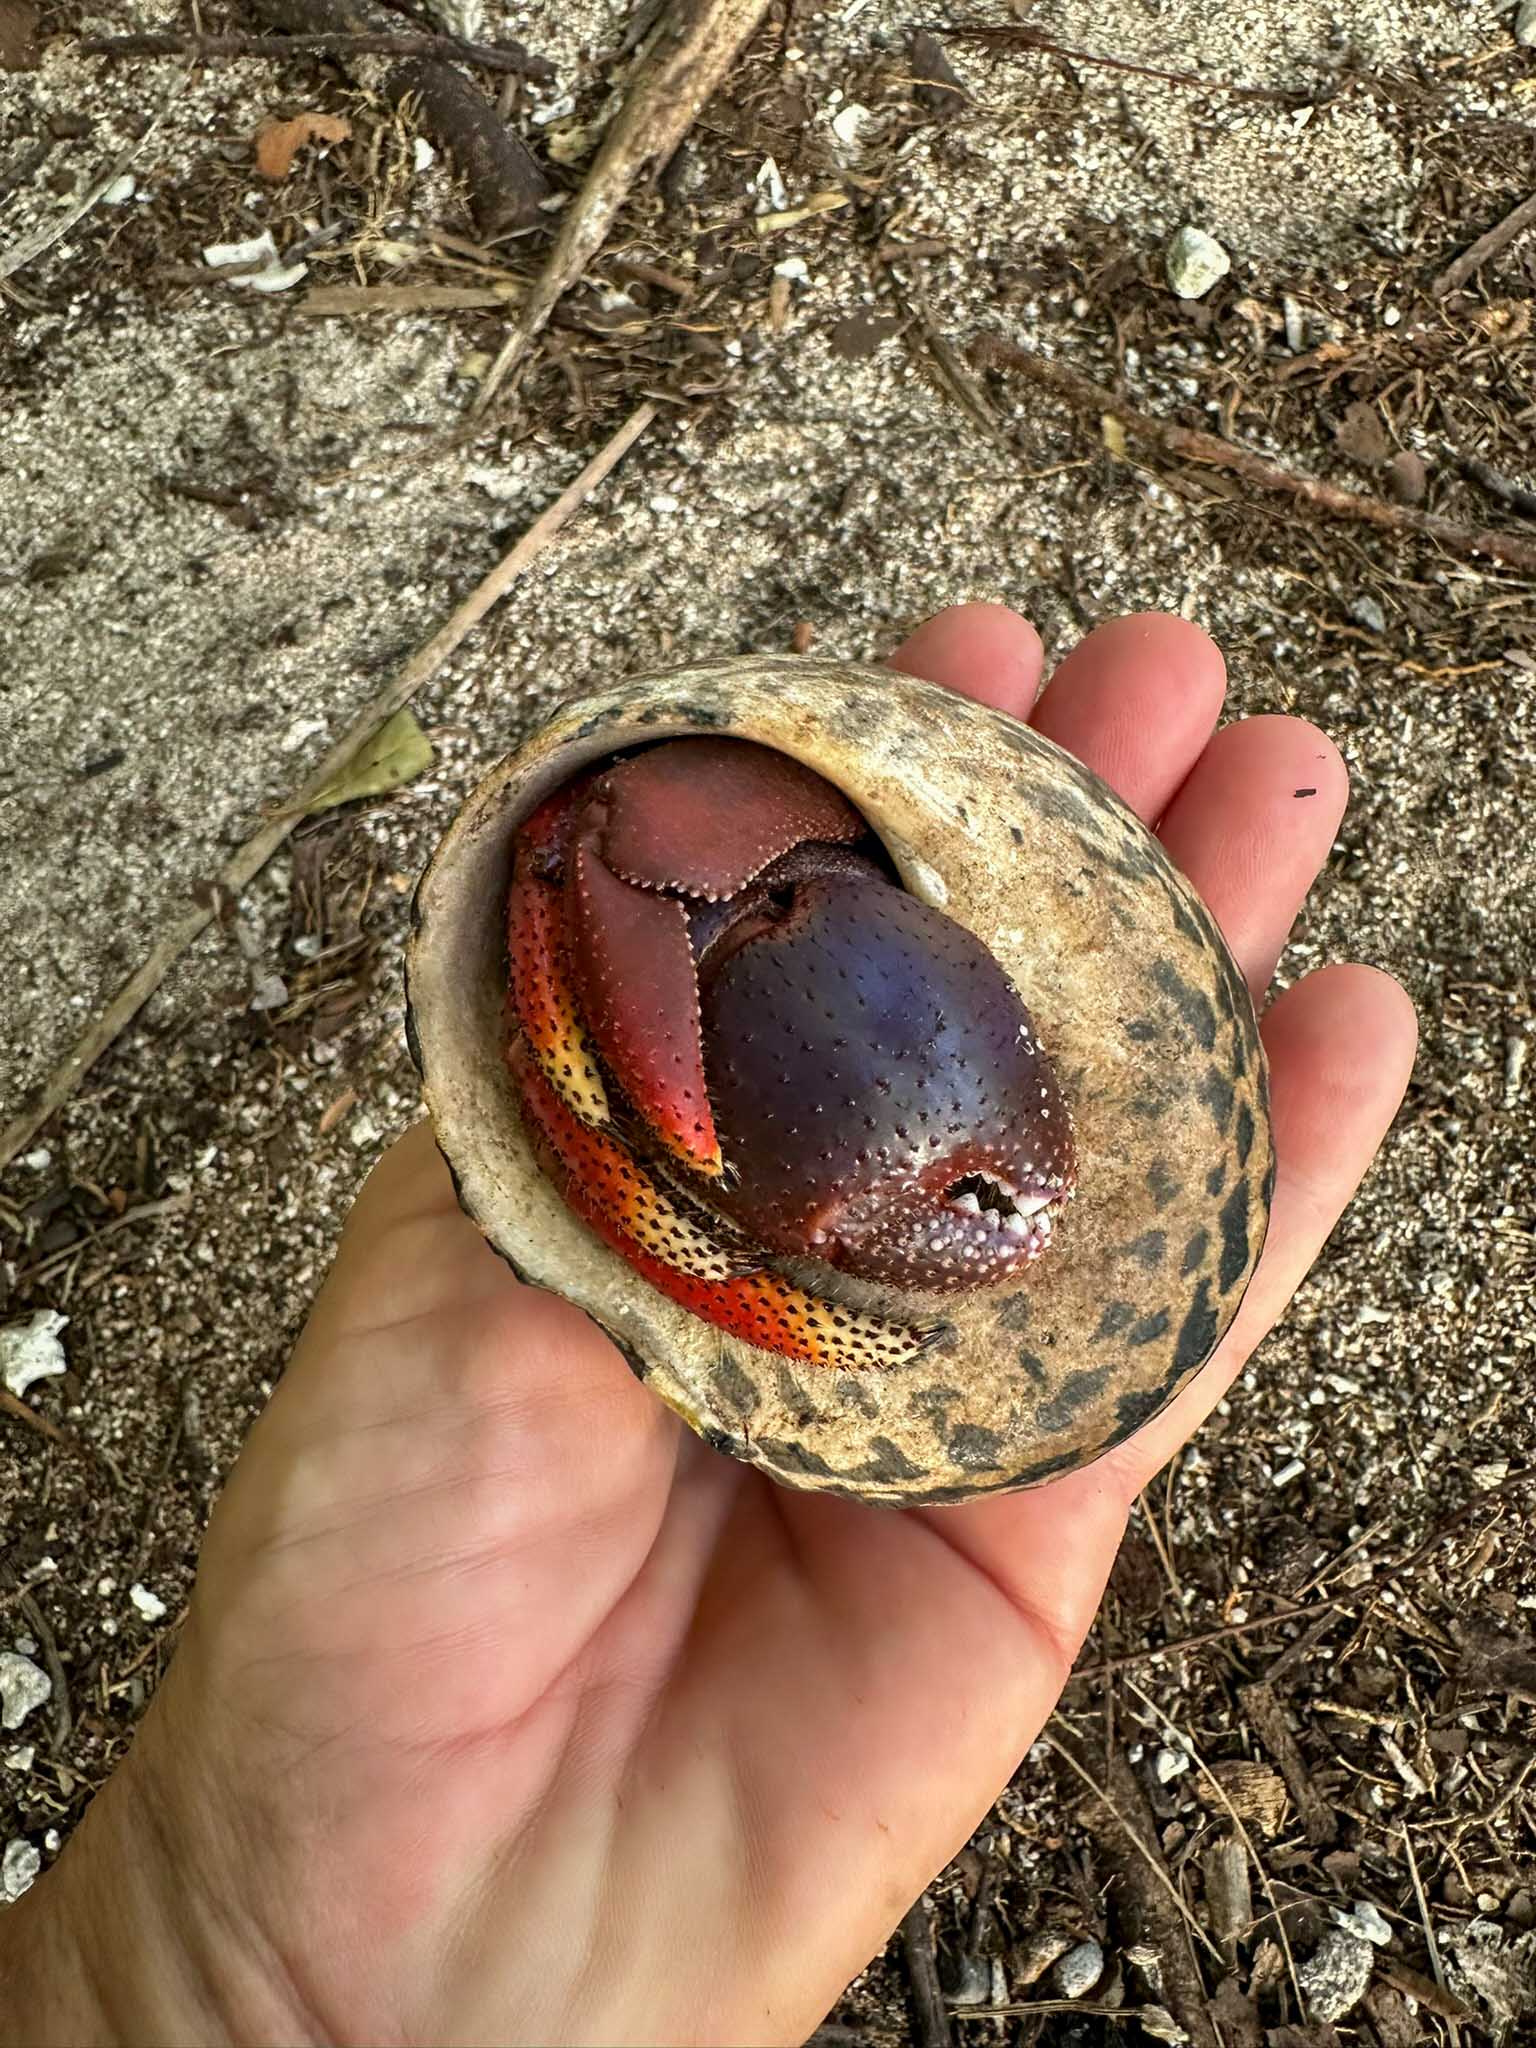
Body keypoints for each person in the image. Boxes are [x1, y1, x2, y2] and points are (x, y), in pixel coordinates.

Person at [0, 606, 1416, 2048]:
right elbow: (584, 899)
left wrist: (193, 1983)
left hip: (806, 1038)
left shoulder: (778, 894)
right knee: (602, 885)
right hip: (732, 976)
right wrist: (204, 1972)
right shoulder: (606, 854)